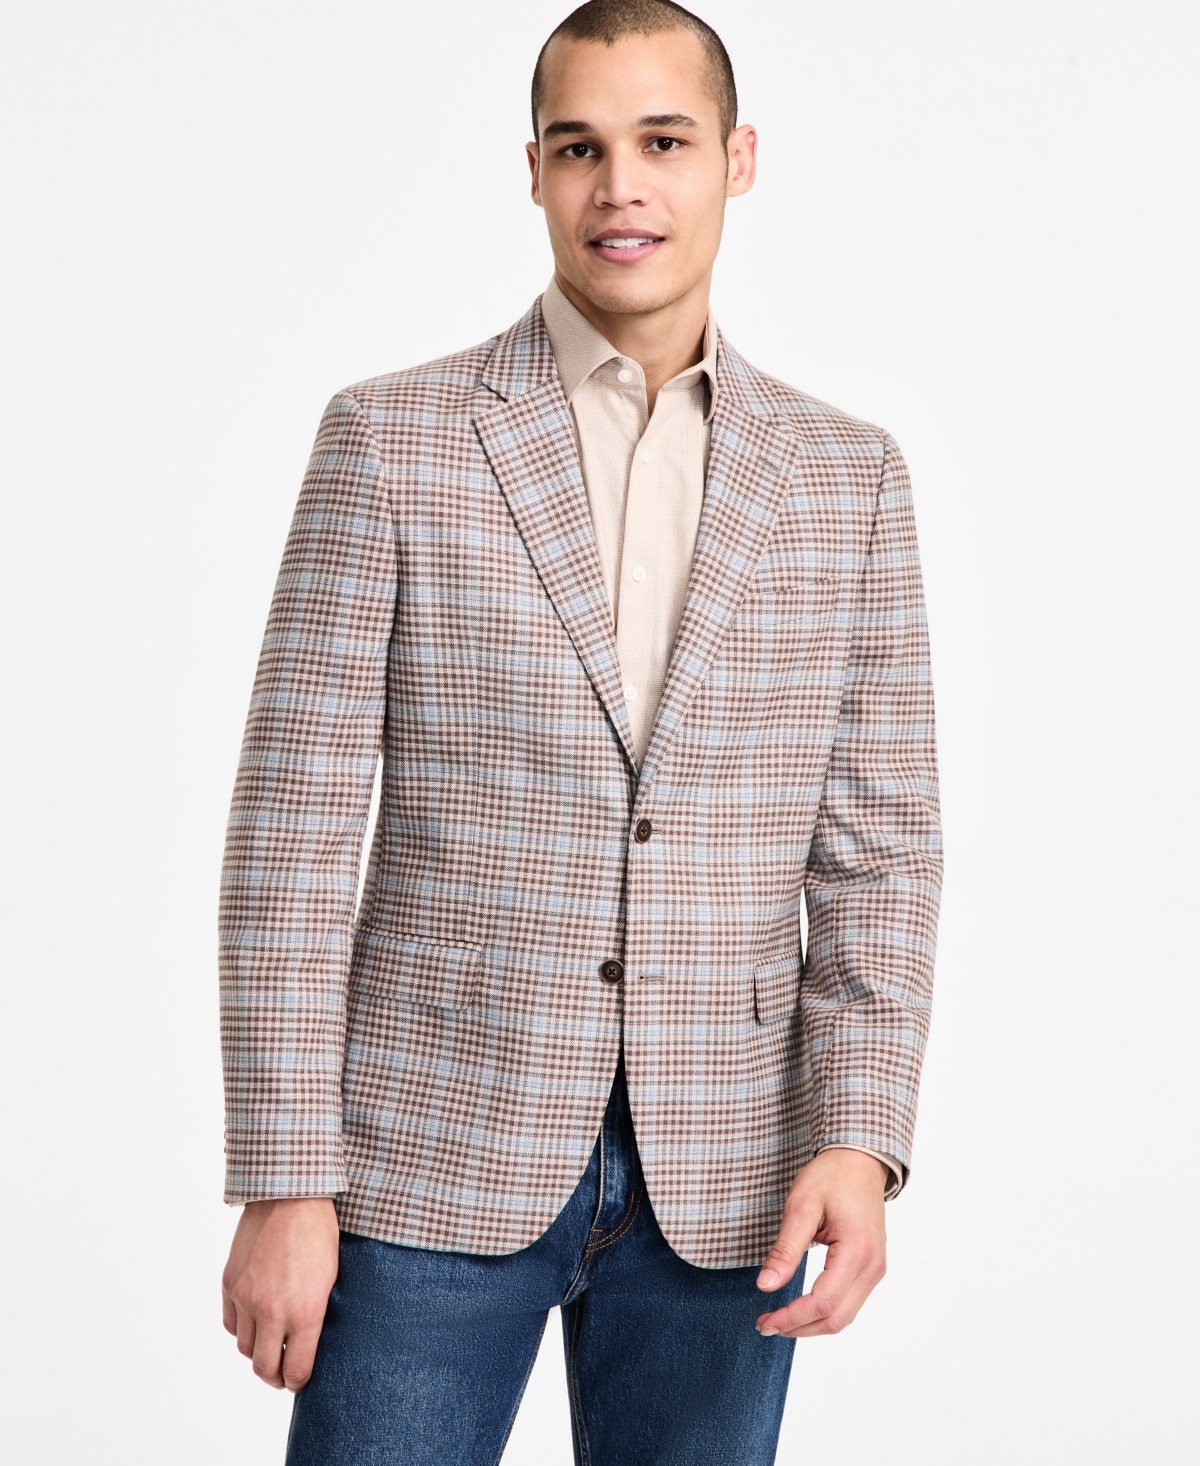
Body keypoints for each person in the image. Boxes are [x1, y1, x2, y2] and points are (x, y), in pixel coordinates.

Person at [218, 1, 944, 1460]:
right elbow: (292, 833)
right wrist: (284, 1175)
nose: (623, 188)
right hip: (426, 1152)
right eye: (580, 148)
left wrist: (860, 1138)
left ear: (738, 159)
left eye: (664, 142)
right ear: (535, 172)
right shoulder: (393, 440)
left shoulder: (847, 475)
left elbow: (881, 855)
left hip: (728, 1171)